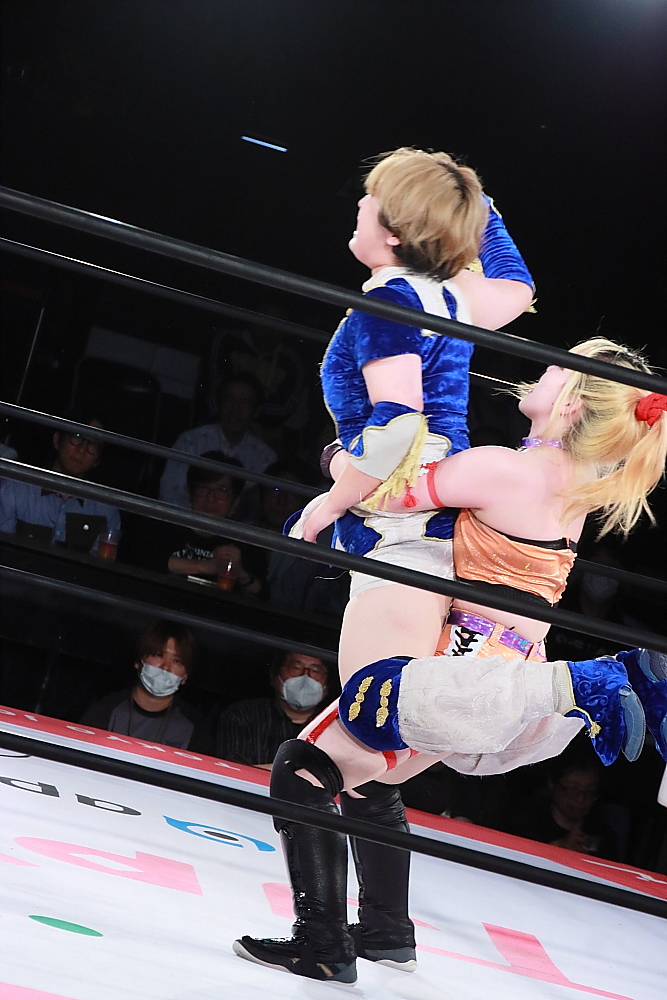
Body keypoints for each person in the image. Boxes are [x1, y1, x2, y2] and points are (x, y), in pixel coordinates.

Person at [234, 337, 667, 984]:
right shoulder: (572, 482)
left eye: (558, 367)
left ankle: (320, 943)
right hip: (498, 663)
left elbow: (386, 494)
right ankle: (386, 932)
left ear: (573, 403)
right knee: (372, 777)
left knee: (305, 767)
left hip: (470, 668)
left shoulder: (509, 469)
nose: (542, 369)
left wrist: (338, 458)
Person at [80, 621, 213, 754]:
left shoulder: (194, 728)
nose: (165, 667)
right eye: (158, 655)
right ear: (139, 661)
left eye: (176, 661)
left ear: (185, 676)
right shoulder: (106, 710)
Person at [0, 410, 120, 552]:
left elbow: (101, 562)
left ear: (98, 459)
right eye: (77, 436)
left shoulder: (105, 509)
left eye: (93, 444)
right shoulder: (17, 487)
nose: (82, 449)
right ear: (57, 440)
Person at [159, 372, 276, 509]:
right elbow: (169, 494)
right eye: (229, 399)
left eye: (244, 403)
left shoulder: (265, 458)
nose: (235, 409)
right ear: (219, 403)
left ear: (256, 411)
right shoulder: (190, 441)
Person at [217, 651, 330, 767]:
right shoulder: (243, 715)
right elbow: (235, 769)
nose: (305, 676)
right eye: (296, 667)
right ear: (274, 676)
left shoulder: (334, 726)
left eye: (316, 670)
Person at [513, 758, 618, 861]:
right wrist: (560, 847)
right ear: (552, 784)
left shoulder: (603, 835)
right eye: (572, 789)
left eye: (590, 792)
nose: (580, 799)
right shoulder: (526, 820)